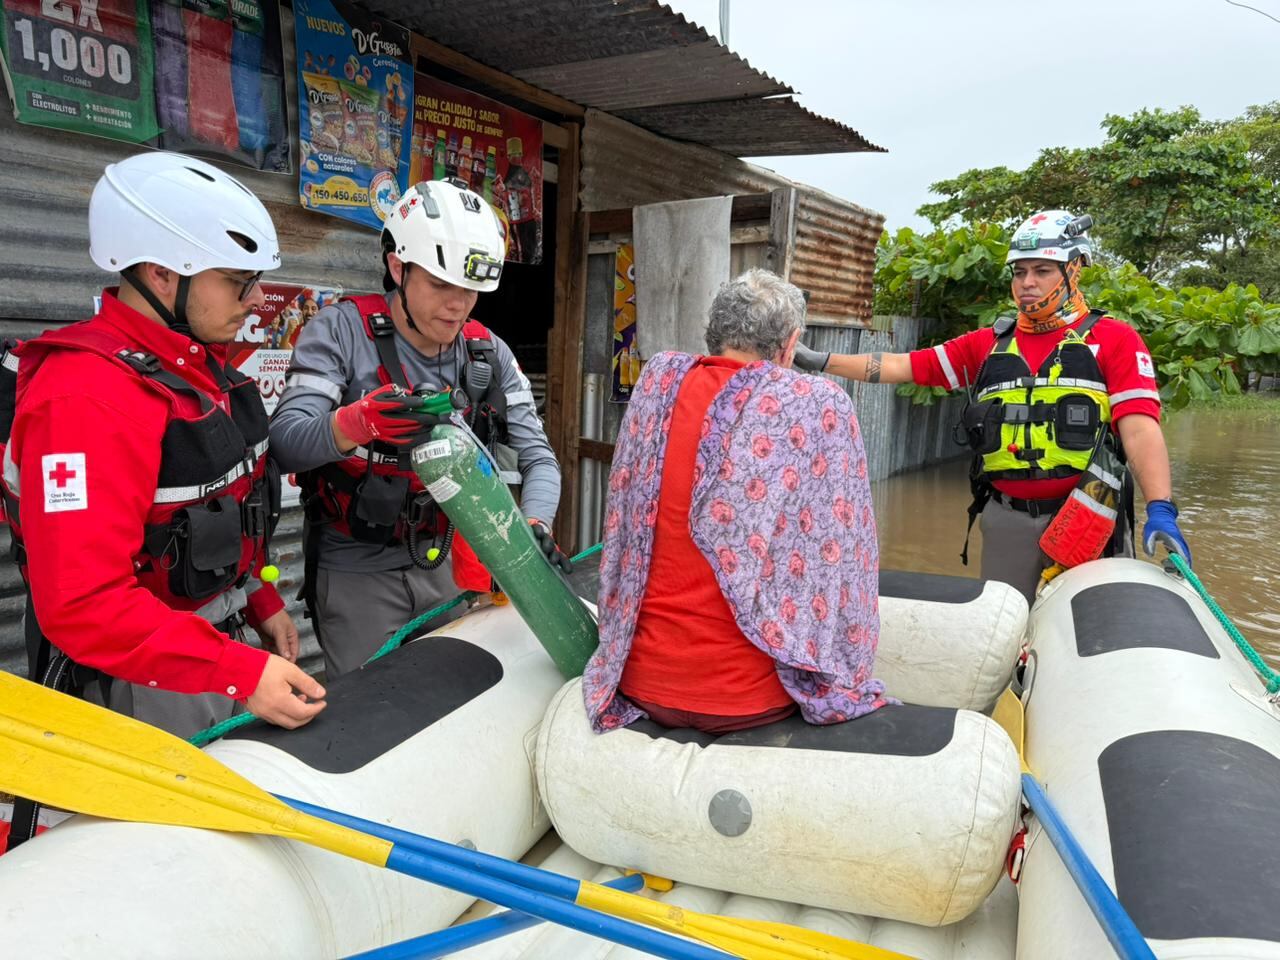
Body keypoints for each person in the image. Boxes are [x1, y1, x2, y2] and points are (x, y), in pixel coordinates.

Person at [4, 151, 326, 739]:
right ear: (161, 274)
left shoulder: (199, 373)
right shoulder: (84, 399)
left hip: (214, 654)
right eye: (238, 281)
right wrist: (240, 671)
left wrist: (259, 602)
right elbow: (82, 604)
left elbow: (215, 511)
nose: (257, 299)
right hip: (140, 684)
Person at [793, 210, 1190, 603]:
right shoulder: (987, 344)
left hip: (1089, 518)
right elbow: (903, 366)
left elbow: (1140, 429)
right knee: (1007, 626)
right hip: (1007, 521)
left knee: (1090, 624)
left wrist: (1160, 508)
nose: (1027, 283)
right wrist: (820, 360)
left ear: (1073, 271)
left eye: (1042, 271)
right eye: (1019, 272)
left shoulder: (1115, 339)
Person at [269, 178, 565, 678]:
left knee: (451, 698)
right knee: (370, 708)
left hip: (446, 564)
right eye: (440, 284)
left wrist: (534, 525)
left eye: (470, 289)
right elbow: (284, 443)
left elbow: (539, 458)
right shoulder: (340, 331)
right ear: (397, 268)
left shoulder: (486, 350)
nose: (458, 304)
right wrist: (355, 422)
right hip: (355, 568)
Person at [583, 268, 893, 734]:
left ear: (713, 334)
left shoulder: (657, 384)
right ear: (790, 345)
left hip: (641, 683)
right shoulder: (818, 403)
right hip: (750, 700)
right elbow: (845, 556)